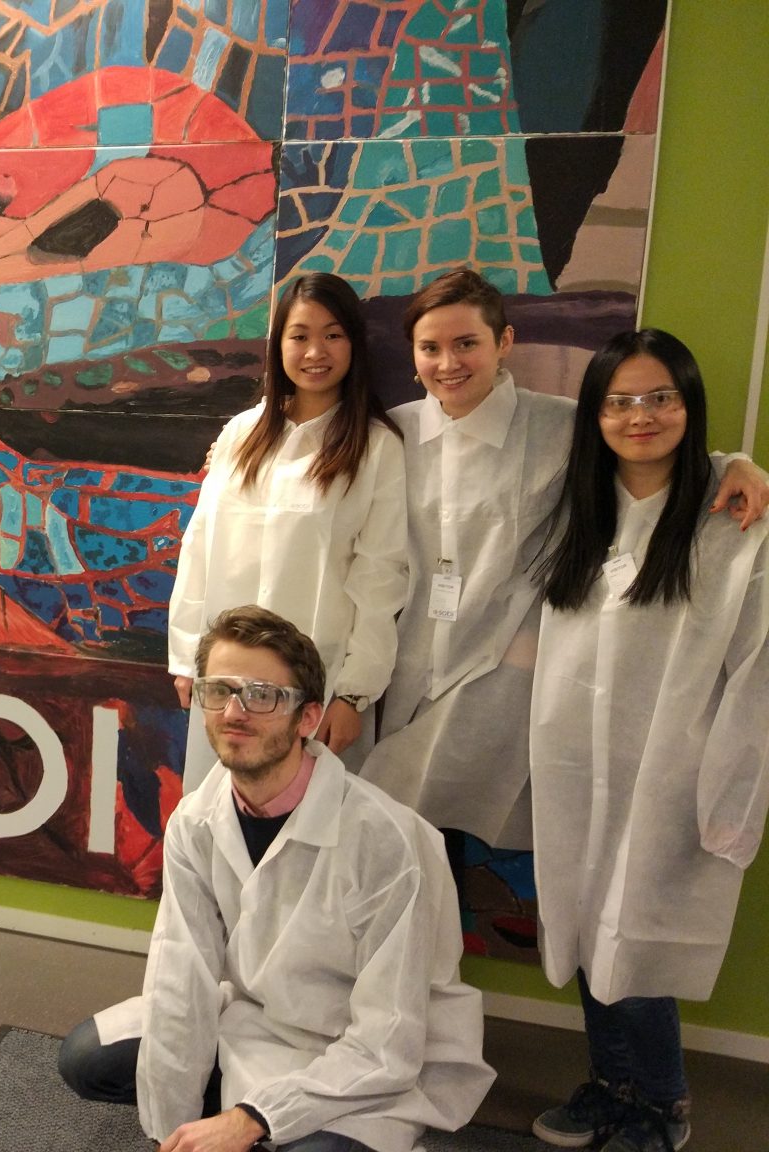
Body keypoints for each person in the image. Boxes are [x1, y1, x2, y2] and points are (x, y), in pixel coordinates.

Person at [362, 270, 767, 871]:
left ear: (504, 342)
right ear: (413, 355)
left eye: (467, 343)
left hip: (497, 671)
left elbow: (646, 447)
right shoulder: (392, 431)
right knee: (391, 836)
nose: (449, 363)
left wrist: (736, 463)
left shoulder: (559, 424)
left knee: (470, 832)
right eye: (431, 347)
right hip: (405, 661)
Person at [59, 605, 494, 1152]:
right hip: (253, 1016)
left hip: (362, 1054)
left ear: (308, 718)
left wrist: (249, 1119)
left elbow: (388, 1040)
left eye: (262, 695)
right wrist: (170, 1133)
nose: (234, 712)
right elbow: (181, 975)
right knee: (85, 1060)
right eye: (219, 690)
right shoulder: (195, 821)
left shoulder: (389, 842)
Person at [528, 330, 769, 1152]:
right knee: (584, 929)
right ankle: (612, 1083)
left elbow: (757, 672)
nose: (641, 416)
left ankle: (664, 1104)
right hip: (573, 766)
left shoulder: (730, 522)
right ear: (594, 416)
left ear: (689, 402)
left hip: (669, 774)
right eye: (620, 401)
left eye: (661, 397)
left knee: (636, 943)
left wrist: (733, 793)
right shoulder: (577, 510)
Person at [167, 274, 408, 789]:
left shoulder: (375, 447)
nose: (315, 352)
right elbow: (199, 545)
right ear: (278, 346)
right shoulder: (242, 433)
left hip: (316, 684)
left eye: (333, 335)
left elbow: (381, 577)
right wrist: (187, 657)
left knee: (308, 819)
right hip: (226, 678)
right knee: (219, 813)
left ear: (354, 345)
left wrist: (354, 693)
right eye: (299, 336)